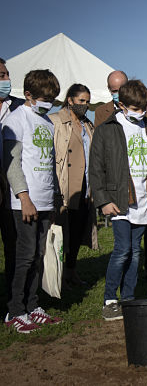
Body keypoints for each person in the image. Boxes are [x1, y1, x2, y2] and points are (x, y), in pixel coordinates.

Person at [90, 80, 147, 321]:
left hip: (144, 199)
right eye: (135, 108)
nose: (140, 112)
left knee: (135, 252)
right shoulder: (107, 129)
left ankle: (129, 298)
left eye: (143, 108)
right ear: (122, 105)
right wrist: (102, 200)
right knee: (122, 249)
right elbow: (96, 168)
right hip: (119, 199)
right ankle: (110, 300)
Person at [3, 69, 62, 333]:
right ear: (28, 95)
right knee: (24, 257)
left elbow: (49, 164)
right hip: (25, 203)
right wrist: (24, 197)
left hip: (46, 200)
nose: (49, 102)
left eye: (52, 98)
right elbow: (12, 163)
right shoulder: (17, 120)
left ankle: (32, 304)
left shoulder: (47, 122)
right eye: (45, 97)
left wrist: (56, 196)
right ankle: (15, 310)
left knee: (39, 255)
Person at [50, 84, 97, 287]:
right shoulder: (56, 121)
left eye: (87, 101)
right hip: (66, 183)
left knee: (78, 231)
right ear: (70, 100)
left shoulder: (88, 124)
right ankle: (57, 275)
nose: (85, 105)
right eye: (81, 101)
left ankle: (71, 271)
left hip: (85, 184)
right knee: (63, 231)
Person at [0, 58, 24, 302]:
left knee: (13, 244)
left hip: (11, 186)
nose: (6, 80)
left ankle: (12, 294)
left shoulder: (18, 107)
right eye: (1, 75)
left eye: (7, 75)